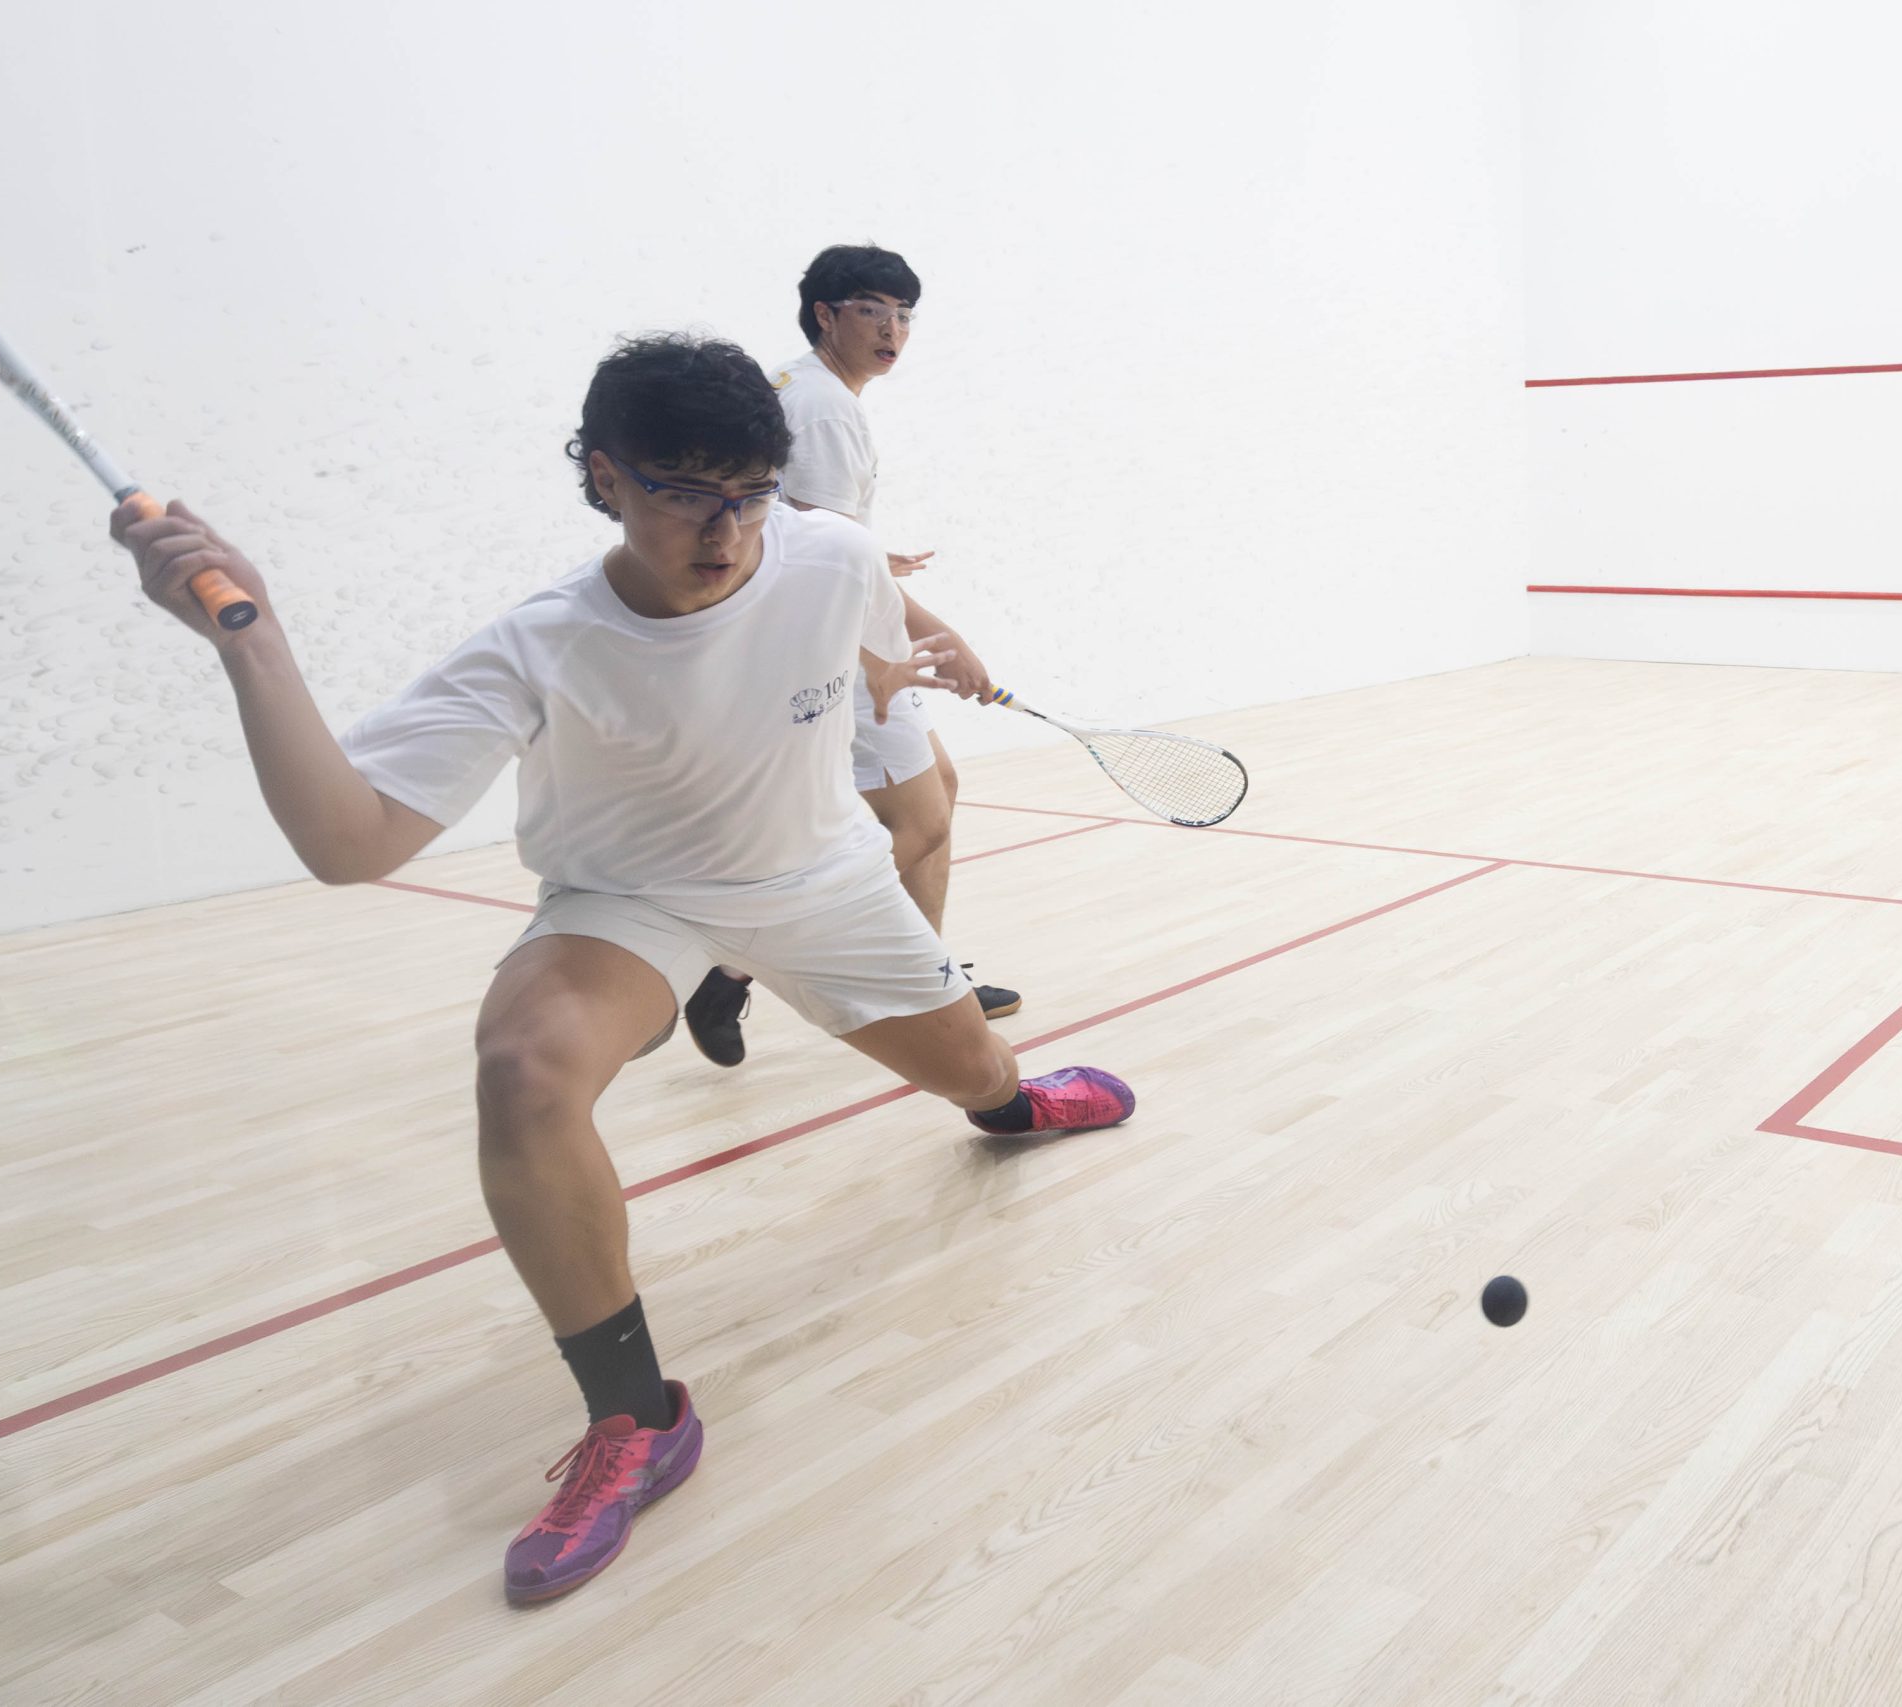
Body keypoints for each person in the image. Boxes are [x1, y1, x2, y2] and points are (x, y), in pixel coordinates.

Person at [109, 333, 1136, 1605]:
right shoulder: (539, 645)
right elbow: (349, 844)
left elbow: (860, 644)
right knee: (523, 1072)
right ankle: (638, 1420)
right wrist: (252, 645)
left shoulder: (830, 554)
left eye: (750, 493)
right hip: (629, 904)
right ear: (605, 475)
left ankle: (1010, 1108)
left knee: (975, 1070)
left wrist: (903, 679)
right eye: (685, 493)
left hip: (822, 885)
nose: (726, 530)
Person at [680, 244, 1021, 1068]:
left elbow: (801, 530)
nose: (892, 329)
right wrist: (932, 646)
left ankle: (928, 981)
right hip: (837, 643)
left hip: (823, 631)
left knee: (937, 791)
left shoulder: (799, 386)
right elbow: (823, 567)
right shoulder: (828, 408)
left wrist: (875, 556)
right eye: (873, 309)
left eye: (904, 315)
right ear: (826, 314)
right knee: (921, 819)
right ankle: (732, 965)